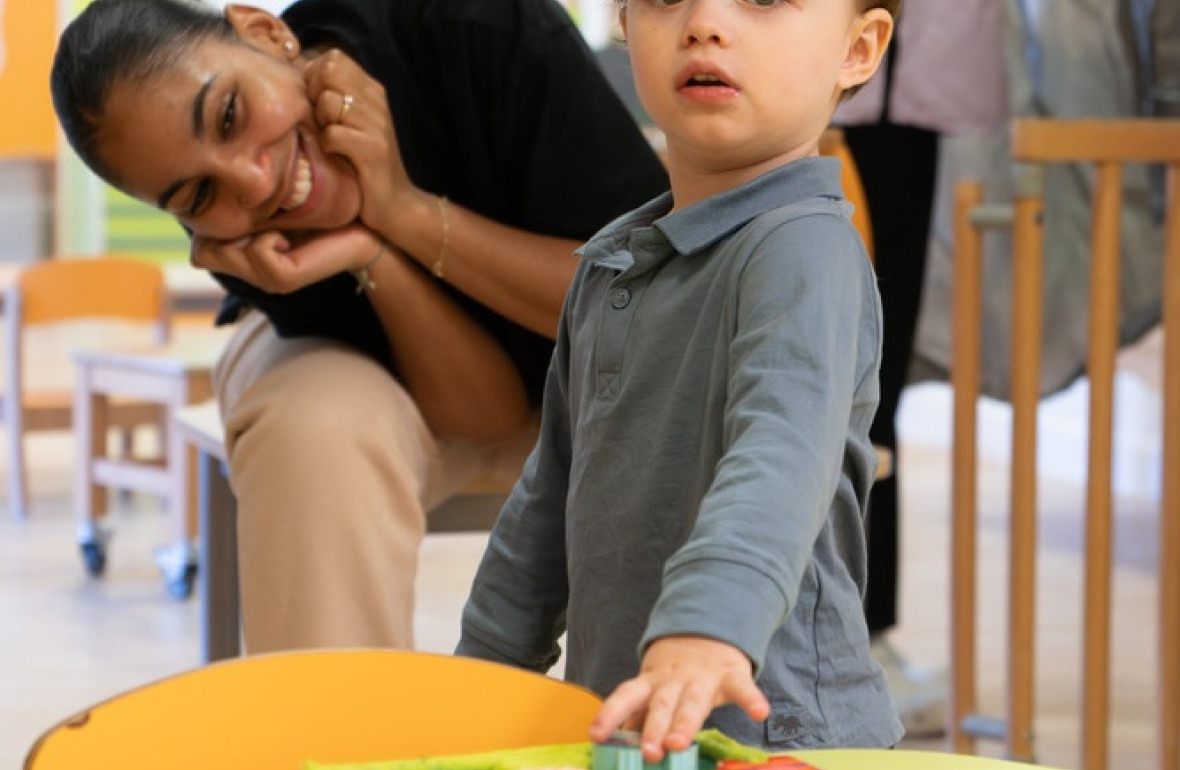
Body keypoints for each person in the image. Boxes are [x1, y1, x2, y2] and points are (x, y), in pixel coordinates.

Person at [50, 0, 668, 652]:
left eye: (229, 114)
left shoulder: (477, 26)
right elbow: (485, 420)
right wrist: (372, 252)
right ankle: (339, 717)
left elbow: (646, 306)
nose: (252, 184)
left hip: (615, 362)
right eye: (198, 195)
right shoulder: (243, 239)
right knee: (310, 426)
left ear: (267, 33)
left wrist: (404, 212)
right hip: (420, 386)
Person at [457, 0, 903, 754]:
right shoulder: (615, 260)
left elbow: (781, 456)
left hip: (781, 735)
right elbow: (550, 494)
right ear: (624, 21)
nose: (703, 22)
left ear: (857, 50)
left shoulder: (805, 250)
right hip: (634, 727)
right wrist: (483, 669)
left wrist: (708, 624)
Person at [831, 0, 1008, 738]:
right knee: (854, 378)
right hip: (852, 87)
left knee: (876, 385)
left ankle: (863, 633)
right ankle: (849, 640)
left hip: (900, 89)